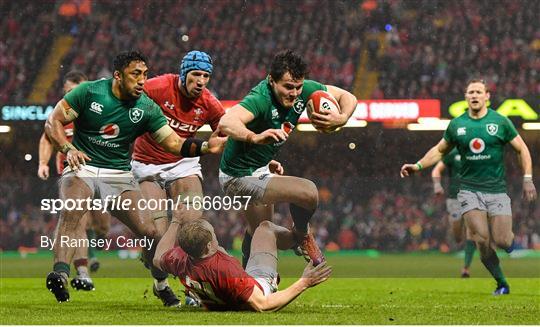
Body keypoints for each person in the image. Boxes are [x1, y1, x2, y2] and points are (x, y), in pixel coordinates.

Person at [44, 51, 226, 303]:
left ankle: (162, 283)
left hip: (122, 173)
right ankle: (60, 274)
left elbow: (174, 142)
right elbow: (52, 121)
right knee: (72, 210)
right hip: (92, 166)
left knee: (152, 232)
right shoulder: (89, 92)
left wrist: (206, 147)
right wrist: (68, 149)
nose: (142, 80)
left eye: (145, 74)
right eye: (135, 74)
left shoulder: (147, 107)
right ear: (117, 76)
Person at [217, 49, 357, 267]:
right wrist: (254, 137)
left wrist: (342, 118)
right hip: (238, 177)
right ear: (271, 81)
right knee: (308, 192)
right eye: (288, 87)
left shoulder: (304, 91)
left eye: (298, 87)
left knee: (262, 234)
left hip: (258, 168)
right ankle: (302, 234)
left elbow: (348, 97)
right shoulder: (260, 99)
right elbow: (226, 122)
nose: (294, 93)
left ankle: (248, 278)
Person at [400, 79, 537, 295]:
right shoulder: (457, 125)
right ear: (466, 97)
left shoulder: (500, 122)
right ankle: (502, 283)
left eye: (478, 92)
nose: (474, 95)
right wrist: (418, 165)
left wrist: (527, 177)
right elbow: (439, 150)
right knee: (481, 240)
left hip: (497, 190)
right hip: (469, 191)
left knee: (502, 240)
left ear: (487, 96)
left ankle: (509, 243)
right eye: (470, 92)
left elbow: (522, 149)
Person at [131, 50, 225, 306]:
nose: (201, 81)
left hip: (184, 165)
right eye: (196, 74)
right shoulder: (158, 87)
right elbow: (127, 101)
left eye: (206, 76)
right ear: (184, 74)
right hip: (146, 167)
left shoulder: (209, 103)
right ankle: (160, 284)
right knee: (156, 233)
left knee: (192, 226)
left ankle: (192, 289)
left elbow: (228, 130)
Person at [153, 218, 332, 311]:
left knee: (246, 235)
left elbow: (157, 258)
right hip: (257, 288)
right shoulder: (226, 270)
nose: (216, 236)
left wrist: (176, 221)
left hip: (222, 296)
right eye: (213, 234)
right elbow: (263, 305)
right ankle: (298, 239)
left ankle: (295, 241)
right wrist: (304, 282)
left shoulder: (180, 259)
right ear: (208, 245)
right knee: (265, 228)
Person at [38, 70, 110, 291]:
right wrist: (42, 163)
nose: (72, 95)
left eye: (76, 91)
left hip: (101, 172)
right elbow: (47, 138)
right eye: (68, 91)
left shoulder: (98, 109)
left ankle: (92, 251)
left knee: (102, 227)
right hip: (72, 172)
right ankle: (82, 271)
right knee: (77, 219)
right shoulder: (61, 113)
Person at [431, 148, 476, 278]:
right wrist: (437, 185)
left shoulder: (477, 153)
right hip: (454, 199)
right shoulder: (453, 154)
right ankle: (460, 238)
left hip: (472, 197)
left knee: (471, 232)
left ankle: (466, 268)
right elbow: (436, 169)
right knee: (457, 233)